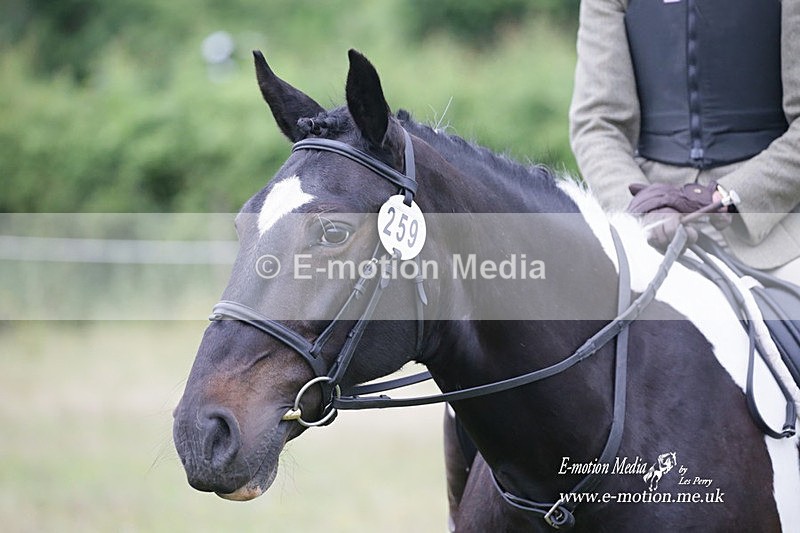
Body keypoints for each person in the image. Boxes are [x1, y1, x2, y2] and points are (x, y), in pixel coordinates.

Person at [569, 0, 800, 285]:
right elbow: (597, 125)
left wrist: (734, 194)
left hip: (780, 232)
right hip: (649, 233)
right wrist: (646, 206)